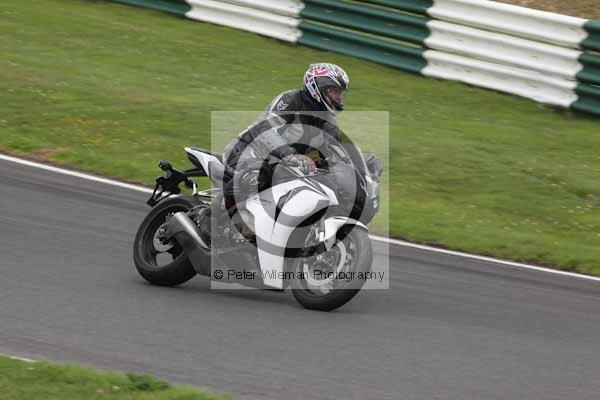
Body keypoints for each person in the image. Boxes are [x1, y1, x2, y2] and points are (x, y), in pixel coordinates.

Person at [221, 63, 355, 213]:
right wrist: (291, 155)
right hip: (245, 152)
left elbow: (338, 153)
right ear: (318, 88)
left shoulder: (328, 122)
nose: (339, 97)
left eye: (340, 92)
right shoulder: (291, 100)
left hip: (280, 167)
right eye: (335, 91)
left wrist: (361, 168)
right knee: (258, 175)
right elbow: (265, 131)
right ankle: (214, 215)